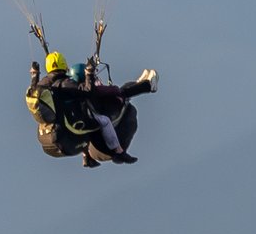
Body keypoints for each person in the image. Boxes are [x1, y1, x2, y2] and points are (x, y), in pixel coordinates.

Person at [26, 51, 158, 166]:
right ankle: (119, 152)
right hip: (75, 123)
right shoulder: (65, 83)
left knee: (85, 130)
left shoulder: (44, 84)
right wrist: (89, 73)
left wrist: (35, 75)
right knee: (104, 121)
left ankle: (86, 157)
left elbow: (34, 91)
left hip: (63, 129)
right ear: (64, 65)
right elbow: (88, 91)